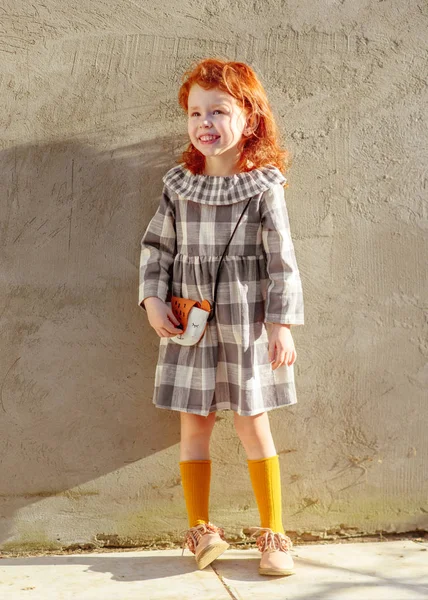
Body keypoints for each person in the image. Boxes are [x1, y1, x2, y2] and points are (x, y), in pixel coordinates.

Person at [138, 58, 304, 577]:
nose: (205, 123)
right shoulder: (178, 186)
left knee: (253, 422)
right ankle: (200, 528)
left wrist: (281, 325)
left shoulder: (262, 188)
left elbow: (282, 261)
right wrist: (152, 299)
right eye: (195, 113)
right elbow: (156, 249)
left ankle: (274, 534)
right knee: (197, 422)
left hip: (246, 320)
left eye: (219, 111)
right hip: (191, 323)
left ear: (249, 119)